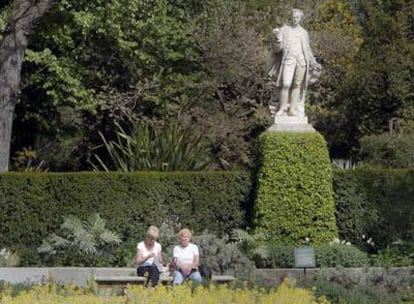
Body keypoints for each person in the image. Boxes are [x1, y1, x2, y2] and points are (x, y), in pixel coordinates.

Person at [267, 8, 320, 118]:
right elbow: (277, 49)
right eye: (293, 17)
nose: (295, 19)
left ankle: (292, 109)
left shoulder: (304, 32)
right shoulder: (284, 30)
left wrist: (313, 61)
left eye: (297, 17)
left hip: (301, 62)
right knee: (285, 84)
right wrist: (277, 38)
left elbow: (307, 49)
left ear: (300, 18)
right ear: (290, 17)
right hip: (288, 60)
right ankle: (282, 108)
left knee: (297, 85)